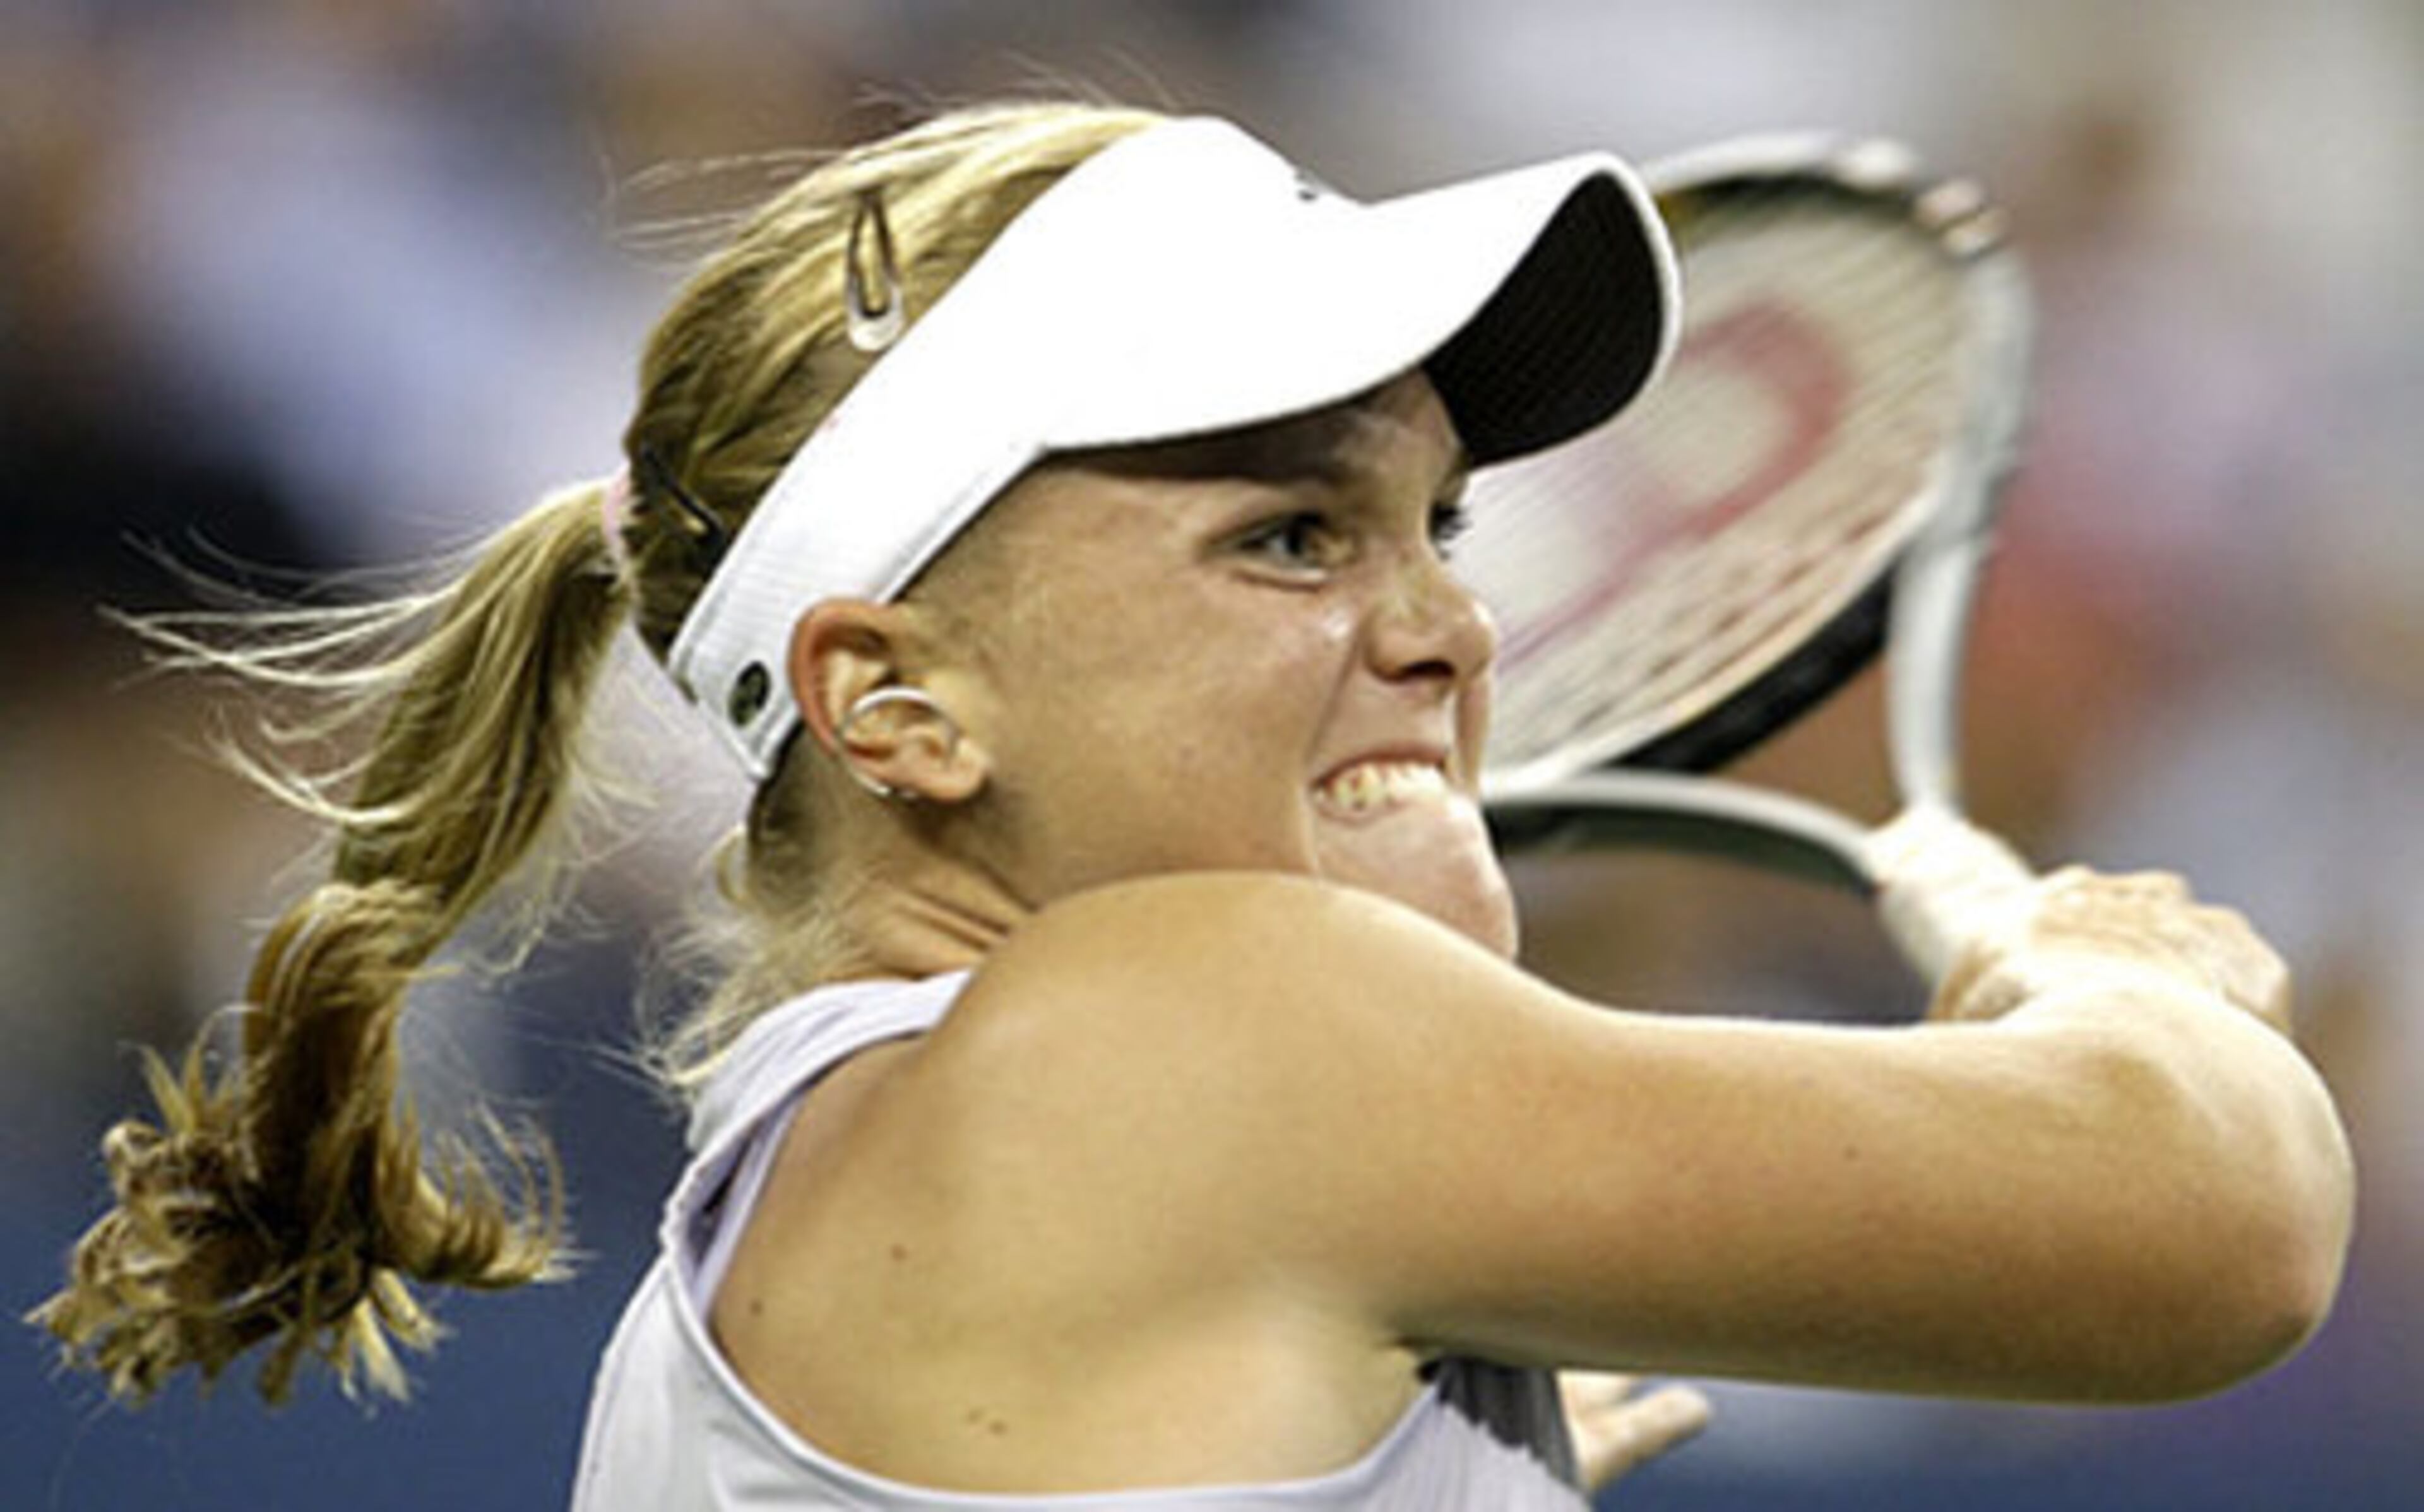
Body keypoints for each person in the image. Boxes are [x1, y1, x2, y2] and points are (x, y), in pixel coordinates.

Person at [33, 100, 2353, 1509]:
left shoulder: (818, 1235)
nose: (1451, 628)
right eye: (1288, 537)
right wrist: (2112, 982)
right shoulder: (1172, 1035)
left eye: (1439, 524)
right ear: (896, 700)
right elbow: (2217, 1225)